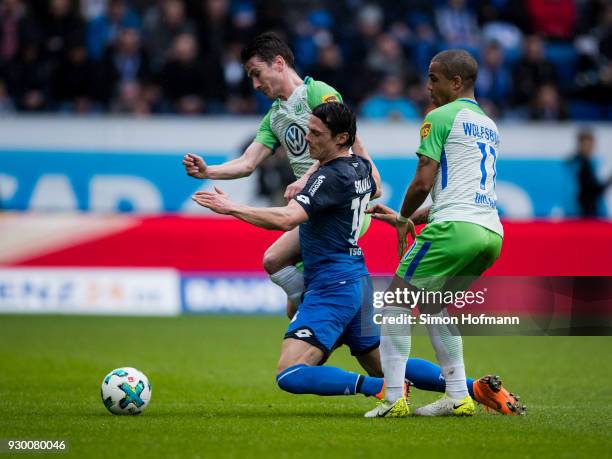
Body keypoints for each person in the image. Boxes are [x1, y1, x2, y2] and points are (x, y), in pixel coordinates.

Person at [193, 102, 524, 415]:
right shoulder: (360, 168)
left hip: (331, 287)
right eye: (308, 130)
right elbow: (375, 187)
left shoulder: (328, 178)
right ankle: (476, 388)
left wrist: (231, 207)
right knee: (389, 361)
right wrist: (311, 175)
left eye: (316, 133)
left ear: (341, 138)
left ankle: (378, 390)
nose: (307, 138)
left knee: (290, 373)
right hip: (356, 280)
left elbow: (285, 220)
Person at [364, 49, 522, 417]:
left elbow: (423, 180)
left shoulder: (439, 117)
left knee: (394, 306)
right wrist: (413, 219)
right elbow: (458, 192)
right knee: (435, 306)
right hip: (489, 234)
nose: (428, 85)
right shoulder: (489, 124)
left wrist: (404, 217)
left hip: (453, 229)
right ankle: (457, 395)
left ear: (456, 82)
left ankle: (392, 399)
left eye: (434, 78)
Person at [182, 32, 380, 319]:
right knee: (293, 301)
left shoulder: (317, 92)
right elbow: (248, 162)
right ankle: (340, 322)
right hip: (315, 206)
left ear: (278, 63)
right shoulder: (274, 117)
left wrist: (312, 178)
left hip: (339, 204)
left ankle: (331, 320)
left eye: (256, 74)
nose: (255, 84)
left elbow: (345, 147)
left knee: (277, 263)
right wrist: (208, 171)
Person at [570, 129, 611, 217]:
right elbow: (594, 190)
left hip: (586, 208)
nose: (589, 147)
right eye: (586, 144)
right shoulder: (582, 164)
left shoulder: (585, 163)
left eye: (591, 144)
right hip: (584, 210)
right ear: (580, 145)